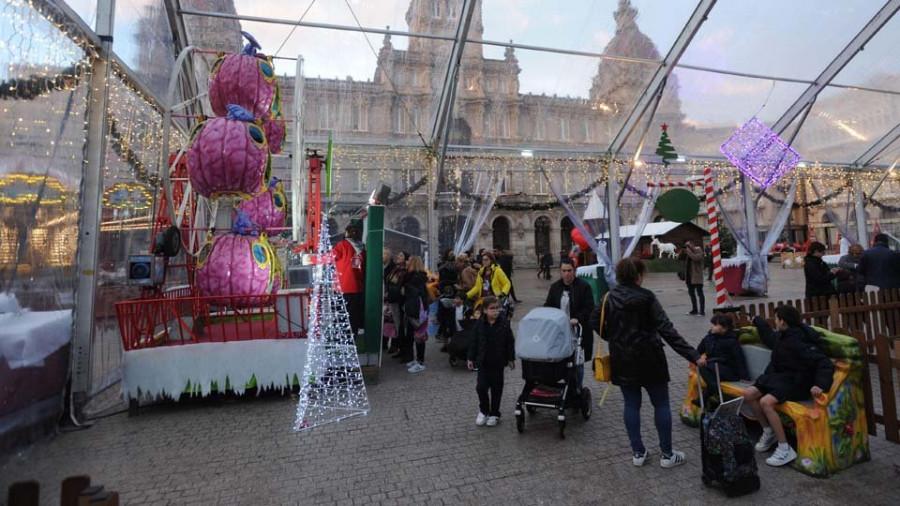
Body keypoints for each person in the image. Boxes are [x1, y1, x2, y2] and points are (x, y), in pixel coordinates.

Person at [590, 258, 700, 469]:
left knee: (631, 405)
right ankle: (667, 454)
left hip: (623, 360)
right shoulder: (647, 298)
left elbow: (594, 320)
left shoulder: (608, 297)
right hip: (651, 358)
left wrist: (612, 337)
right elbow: (667, 329)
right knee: (661, 404)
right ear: (638, 276)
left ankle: (638, 452)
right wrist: (693, 355)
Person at [742, 305, 834, 467]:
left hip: (796, 382)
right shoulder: (783, 336)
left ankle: (785, 448)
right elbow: (769, 336)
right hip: (779, 378)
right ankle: (768, 431)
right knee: (749, 394)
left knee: (766, 402)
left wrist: (820, 384)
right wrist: (759, 321)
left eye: (776, 319)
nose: (775, 322)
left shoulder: (799, 341)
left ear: (783, 322)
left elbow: (823, 362)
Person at [543, 257, 594, 391]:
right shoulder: (555, 287)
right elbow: (549, 305)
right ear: (560, 271)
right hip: (560, 331)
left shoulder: (584, 286)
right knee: (561, 360)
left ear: (574, 271)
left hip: (578, 331)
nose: (566, 274)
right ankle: (565, 386)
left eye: (569, 270)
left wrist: (578, 318)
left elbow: (589, 307)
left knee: (577, 362)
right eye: (563, 271)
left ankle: (577, 387)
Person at [467, 296, 515, 427]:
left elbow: (510, 342)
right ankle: (484, 410)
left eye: (497, 308)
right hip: (483, 363)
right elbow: (474, 342)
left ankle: (494, 413)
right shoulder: (479, 324)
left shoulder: (504, 323)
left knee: (496, 389)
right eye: (492, 308)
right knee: (481, 388)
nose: (495, 311)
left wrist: (511, 359)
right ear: (485, 310)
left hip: (498, 363)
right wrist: (470, 358)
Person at [694, 314, 748, 406]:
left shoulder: (731, 341)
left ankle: (706, 395)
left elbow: (739, 359)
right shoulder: (709, 338)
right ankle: (712, 390)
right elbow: (698, 351)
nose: (712, 327)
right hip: (713, 369)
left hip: (728, 370)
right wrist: (700, 357)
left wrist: (744, 376)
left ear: (725, 328)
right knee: (702, 366)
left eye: (715, 325)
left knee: (705, 368)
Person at [333, 219, 366, 336]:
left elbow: (331, 257)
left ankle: (342, 340)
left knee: (340, 317)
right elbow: (357, 268)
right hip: (357, 288)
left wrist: (312, 259)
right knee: (353, 317)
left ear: (347, 233)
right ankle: (353, 339)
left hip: (342, 287)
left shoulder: (342, 245)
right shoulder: (361, 249)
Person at [403, 255, 429, 373]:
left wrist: (406, 289)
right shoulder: (415, 277)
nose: (406, 262)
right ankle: (415, 359)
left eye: (408, 261)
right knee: (411, 335)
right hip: (415, 309)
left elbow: (414, 294)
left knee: (419, 335)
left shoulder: (415, 279)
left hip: (417, 310)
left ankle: (420, 361)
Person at [386, 252, 409, 357]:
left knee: (400, 325)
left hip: (399, 301)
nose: (398, 257)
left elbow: (401, 285)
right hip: (392, 299)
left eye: (401, 256)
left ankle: (404, 349)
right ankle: (400, 348)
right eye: (398, 255)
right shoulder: (395, 269)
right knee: (396, 324)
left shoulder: (405, 271)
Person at [681, 240, 705, 316]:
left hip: (697, 276)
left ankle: (702, 311)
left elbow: (697, 258)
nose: (687, 247)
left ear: (692, 244)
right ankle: (694, 310)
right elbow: (679, 258)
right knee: (692, 294)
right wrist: (682, 252)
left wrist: (689, 252)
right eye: (686, 245)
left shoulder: (698, 250)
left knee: (700, 294)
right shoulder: (687, 252)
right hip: (689, 277)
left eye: (688, 245)